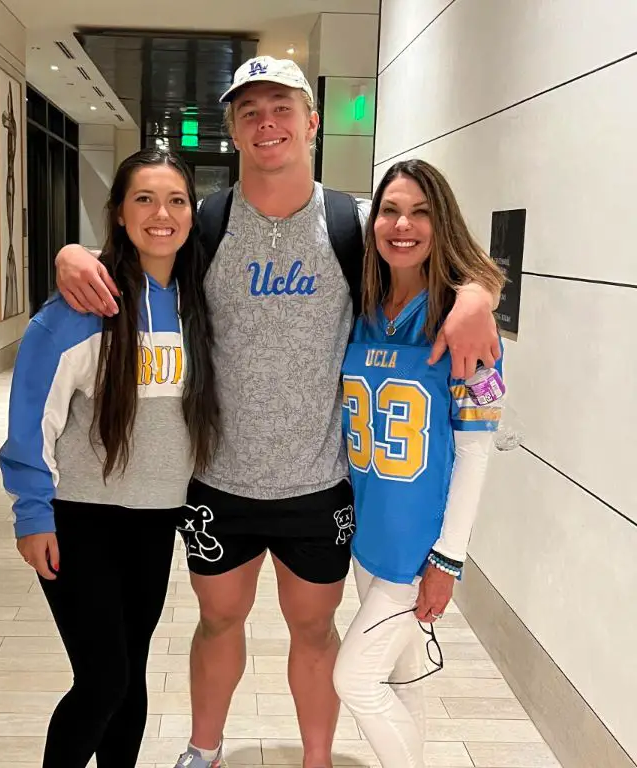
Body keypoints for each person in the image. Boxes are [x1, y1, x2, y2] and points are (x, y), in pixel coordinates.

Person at [52, 57, 501, 768]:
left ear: (312, 121)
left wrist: (479, 293)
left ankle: (316, 760)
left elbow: (429, 258)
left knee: (315, 632)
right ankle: (204, 749)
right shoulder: (207, 224)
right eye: (250, 110)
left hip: (320, 485)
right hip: (218, 480)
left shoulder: (354, 223)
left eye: (283, 107)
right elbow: (132, 257)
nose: (268, 122)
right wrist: (70, 253)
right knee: (218, 621)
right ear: (232, 128)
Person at [0, 148, 219, 768]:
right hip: (80, 517)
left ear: (192, 214)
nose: (161, 214)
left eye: (176, 200)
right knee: (103, 679)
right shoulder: (83, 304)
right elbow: (32, 412)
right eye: (143, 199)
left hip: (156, 519)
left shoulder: (200, 302)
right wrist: (32, 511)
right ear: (119, 214)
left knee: (132, 673)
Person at [332, 159, 506, 768]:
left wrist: (448, 560)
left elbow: (476, 450)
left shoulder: (462, 322)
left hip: (416, 551)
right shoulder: (365, 303)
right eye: (390, 210)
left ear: (443, 223)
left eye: (420, 213)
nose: (402, 225)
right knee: (405, 681)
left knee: (353, 681)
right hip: (367, 535)